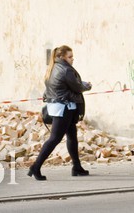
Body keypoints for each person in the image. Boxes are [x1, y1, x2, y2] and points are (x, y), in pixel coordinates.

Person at [28, 45, 92, 180]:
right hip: (65, 107)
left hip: (57, 106)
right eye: (69, 57)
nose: (72, 59)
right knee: (54, 139)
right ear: (62, 57)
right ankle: (36, 166)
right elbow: (77, 87)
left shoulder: (53, 68)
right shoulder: (66, 70)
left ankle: (77, 166)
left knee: (72, 137)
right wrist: (87, 85)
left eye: (72, 56)